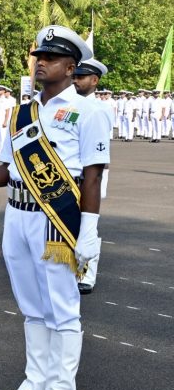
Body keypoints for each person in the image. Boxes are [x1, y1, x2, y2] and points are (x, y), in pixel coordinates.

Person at [0, 25, 107, 390]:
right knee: (31, 307)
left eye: (50, 58)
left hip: (57, 216)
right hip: (17, 215)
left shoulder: (89, 110)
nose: (40, 62)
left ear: (70, 66)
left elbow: (91, 177)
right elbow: (7, 169)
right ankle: (34, 386)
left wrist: (89, 230)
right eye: (37, 57)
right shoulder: (22, 112)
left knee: (62, 307)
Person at [71, 58, 111, 295]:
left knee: (88, 223)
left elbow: (100, 148)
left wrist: (96, 178)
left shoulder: (100, 108)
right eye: (74, 76)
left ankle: (87, 273)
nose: (76, 80)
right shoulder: (70, 105)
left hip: (92, 172)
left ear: (94, 81)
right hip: (71, 173)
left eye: (81, 77)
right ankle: (73, 267)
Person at [0, 85, 14, 156]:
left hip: (2, 118)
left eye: (0, 90)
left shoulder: (6, 100)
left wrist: (5, 121)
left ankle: (3, 151)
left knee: (3, 135)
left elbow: (7, 111)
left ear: (3, 91)